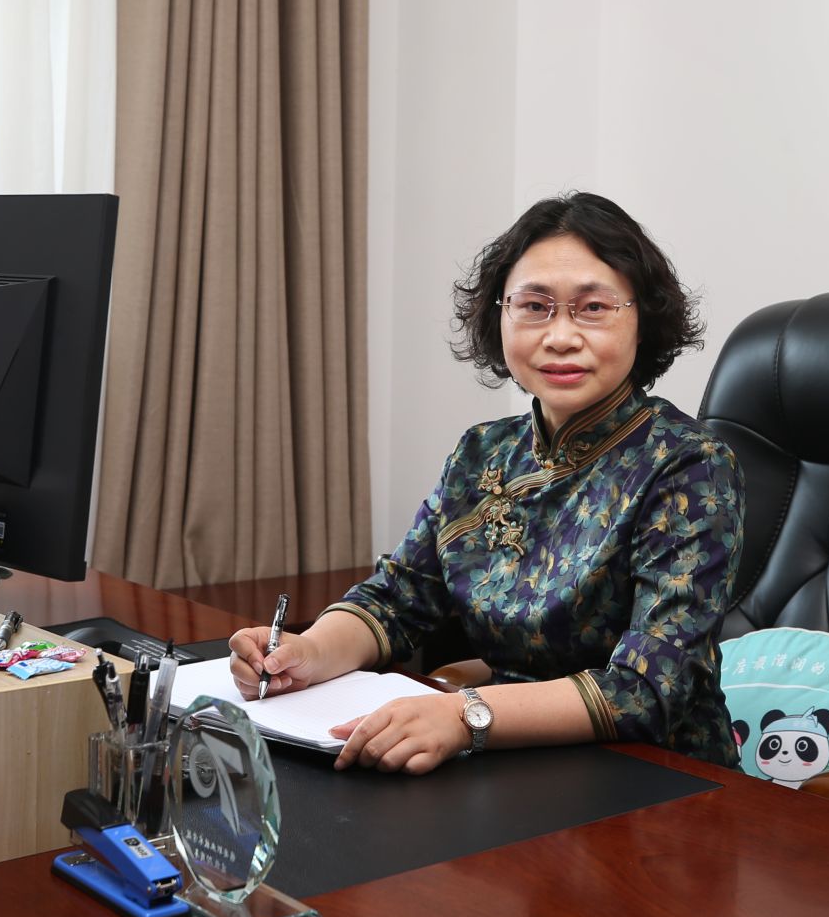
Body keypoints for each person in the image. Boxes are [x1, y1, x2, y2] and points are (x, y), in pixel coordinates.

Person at [227, 192, 745, 774]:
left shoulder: (688, 465)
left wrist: (465, 714)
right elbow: (398, 598)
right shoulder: (482, 452)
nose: (560, 336)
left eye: (593, 308)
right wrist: (308, 652)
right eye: (535, 306)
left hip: (660, 779)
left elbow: (649, 689)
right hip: (507, 760)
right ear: (499, 316)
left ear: (642, 319)